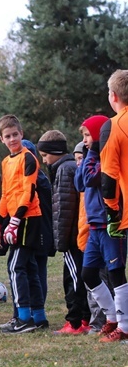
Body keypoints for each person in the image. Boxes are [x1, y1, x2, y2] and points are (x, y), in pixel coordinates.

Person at [0, 115, 46, 334]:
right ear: (1, 139)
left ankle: (23, 318)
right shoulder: (6, 162)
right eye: (8, 136)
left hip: (28, 218)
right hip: (15, 218)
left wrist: (15, 221)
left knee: (16, 266)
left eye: (15, 134)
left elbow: (28, 191)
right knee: (30, 267)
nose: (12, 139)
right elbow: (6, 194)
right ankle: (39, 317)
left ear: (22, 134)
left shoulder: (28, 158)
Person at [37, 130, 91, 335]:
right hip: (79, 235)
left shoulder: (63, 170)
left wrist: (60, 241)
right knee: (80, 276)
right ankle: (85, 318)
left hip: (72, 237)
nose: (44, 161)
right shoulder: (69, 166)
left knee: (73, 279)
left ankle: (75, 322)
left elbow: (63, 209)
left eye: (45, 156)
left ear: (55, 151)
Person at [75, 116, 125, 341]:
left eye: (87, 136)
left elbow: (91, 177)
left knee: (116, 273)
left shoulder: (105, 158)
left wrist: (93, 152)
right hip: (94, 226)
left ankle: (124, 325)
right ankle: (112, 316)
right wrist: (87, 154)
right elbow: (79, 182)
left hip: (110, 224)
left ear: (98, 137)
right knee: (88, 273)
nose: (84, 141)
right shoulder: (90, 156)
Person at [99, 69, 128, 342]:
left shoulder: (113, 125)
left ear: (114, 96)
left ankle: (126, 326)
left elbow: (107, 177)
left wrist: (111, 210)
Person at [72, 139, 106, 333]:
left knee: (102, 280)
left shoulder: (96, 173)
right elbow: (79, 183)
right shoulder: (84, 175)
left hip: (98, 232)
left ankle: (101, 322)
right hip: (87, 236)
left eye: (81, 158)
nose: (79, 163)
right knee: (91, 280)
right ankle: (97, 321)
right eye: (77, 159)